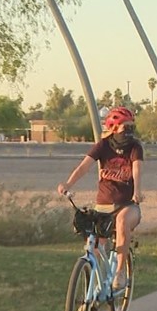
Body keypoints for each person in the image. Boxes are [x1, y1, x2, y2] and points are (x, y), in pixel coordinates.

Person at [57, 106, 143, 287]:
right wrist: (68, 184)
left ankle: (119, 273)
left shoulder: (135, 147)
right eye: (125, 126)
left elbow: (136, 169)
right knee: (95, 247)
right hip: (103, 205)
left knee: (122, 223)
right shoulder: (103, 145)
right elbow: (84, 167)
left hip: (127, 204)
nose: (129, 130)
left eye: (131, 126)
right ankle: (95, 289)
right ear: (114, 127)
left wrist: (137, 192)